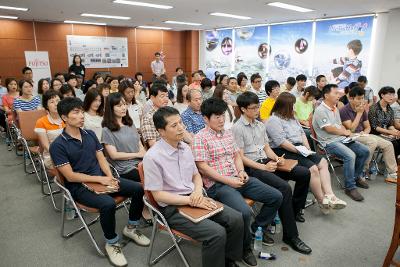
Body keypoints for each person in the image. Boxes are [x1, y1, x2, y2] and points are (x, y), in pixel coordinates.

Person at [49, 97, 150, 267]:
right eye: (76, 112)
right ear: (64, 118)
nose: (81, 115)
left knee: (139, 189)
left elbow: (101, 157)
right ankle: (111, 242)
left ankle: (131, 227)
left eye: (82, 111)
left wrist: (110, 177)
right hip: (79, 187)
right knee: (108, 204)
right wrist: (101, 179)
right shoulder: (58, 145)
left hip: (101, 180)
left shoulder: (89, 134)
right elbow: (71, 176)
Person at [143, 106, 244, 267]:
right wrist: (191, 200)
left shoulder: (185, 148)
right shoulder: (152, 157)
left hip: (195, 196)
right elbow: (158, 196)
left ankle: (228, 260)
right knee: (216, 233)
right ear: (161, 131)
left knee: (236, 219)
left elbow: (196, 175)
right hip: (172, 207)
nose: (181, 127)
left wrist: (197, 191)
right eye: (174, 125)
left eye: (181, 122)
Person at [192, 97, 283, 266]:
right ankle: (244, 249)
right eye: (216, 116)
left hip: (237, 178)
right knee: (244, 212)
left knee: (276, 196)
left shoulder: (227, 133)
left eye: (222, 116)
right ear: (205, 118)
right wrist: (229, 180)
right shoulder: (200, 138)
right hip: (217, 185)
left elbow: (236, 156)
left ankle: (256, 229)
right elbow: (203, 168)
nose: (221, 120)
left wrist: (241, 171)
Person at [233, 92, 312, 254]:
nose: (257, 110)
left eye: (258, 106)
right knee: (284, 188)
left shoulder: (260, 125)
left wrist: (277, 158)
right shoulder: (237, 128)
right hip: (252, 167)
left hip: (267, 163)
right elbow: (240, 158)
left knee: (304, 173)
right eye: (253, 108)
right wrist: (264, 167)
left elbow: (266, 148)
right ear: (242, 109)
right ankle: (290, 235)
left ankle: (293, 212)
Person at [266, 92, 347, 213]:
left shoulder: (292, 117)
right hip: (283, 150)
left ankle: (330, 195)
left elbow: (302, 133)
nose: (294, 108)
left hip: (299, 148)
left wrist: (307, 149)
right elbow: (281, 142)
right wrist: (299, 151)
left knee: (323, 162)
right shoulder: (274, 119)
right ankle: (322, 201)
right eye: (292, 105)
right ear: (284, 106)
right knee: (313, 169)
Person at [312, 84, 369, 201]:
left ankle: (356, 177)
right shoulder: (320, 110)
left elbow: (338, 125)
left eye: (338, 93)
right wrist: (345, 132)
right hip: (328, 142)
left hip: (340, 139)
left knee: (365, 151)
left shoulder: (335, 108)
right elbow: (329, 129)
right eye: (336, 93)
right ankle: (350, 187)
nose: (339, 95)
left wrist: (347, 132)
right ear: (326, 95)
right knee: (350, 155)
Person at [340, 86, 398, 184]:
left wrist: (365, 132)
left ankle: (392, 173)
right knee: (372, 142)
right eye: (359, 99)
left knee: (388, 144)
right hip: (350, 136)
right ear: (351, 98)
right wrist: (359, 113)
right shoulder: (344, 110)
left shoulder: (362, 109)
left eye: (362, 98)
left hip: (363, 135)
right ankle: (362, 171)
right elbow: (351, 129)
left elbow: (368, 127)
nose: (361, 101)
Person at [102, 92, 146, 182]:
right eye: (119, 106)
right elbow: (114, 155)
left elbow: (139, 144)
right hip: (124, 168)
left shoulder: (130, 124)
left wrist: (143, 154)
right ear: (111, 109)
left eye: (124, 104)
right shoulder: (107, 130)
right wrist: (137, 155)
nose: (123, 108)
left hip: (140, 162)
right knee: (151, 178)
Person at [34, 90, 64, 168]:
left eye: (58, 101)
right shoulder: (41, 122)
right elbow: (47, 146)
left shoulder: (68, 118)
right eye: (52, 102)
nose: (56, 104)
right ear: (46, 106)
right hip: (52, 156)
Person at [368, 86, 400, 159]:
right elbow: (375, 127)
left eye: (393, 94)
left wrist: (396, 131)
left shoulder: (390, 109)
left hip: (386, 133)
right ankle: (391, 167)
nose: (392, 97)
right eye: (389, 94)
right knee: (394, 143)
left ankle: (396, 164)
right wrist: (390, 132)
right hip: (375, 133)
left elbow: (390, 125)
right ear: (382, 95)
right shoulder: (374, 108)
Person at [141, 83, 170, 147]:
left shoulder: (171, 113)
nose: (166, 99)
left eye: (167, 96)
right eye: (162, 96)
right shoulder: (148, 118)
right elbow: (152, 144)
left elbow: (183, 132)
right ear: (152, 98)